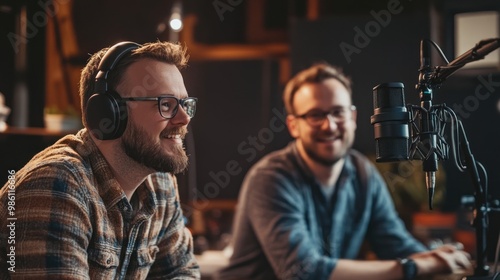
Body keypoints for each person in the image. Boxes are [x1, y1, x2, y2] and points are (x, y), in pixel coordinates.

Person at [216, 63, 473, 280]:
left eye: (338, 113)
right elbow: (303, 272)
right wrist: (414, 266)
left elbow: (396, 245)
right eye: (315, 115)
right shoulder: (271, 178)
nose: (329, 126)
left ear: (352, 118)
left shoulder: (364, 173)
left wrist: (442, 259)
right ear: (294, 125)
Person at [0, 41, 200, 279]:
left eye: (185, 105)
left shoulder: (161, 184)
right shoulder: (57, 186)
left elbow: (182, 273)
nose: (184, 118)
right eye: (166, 104)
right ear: (109, 113)